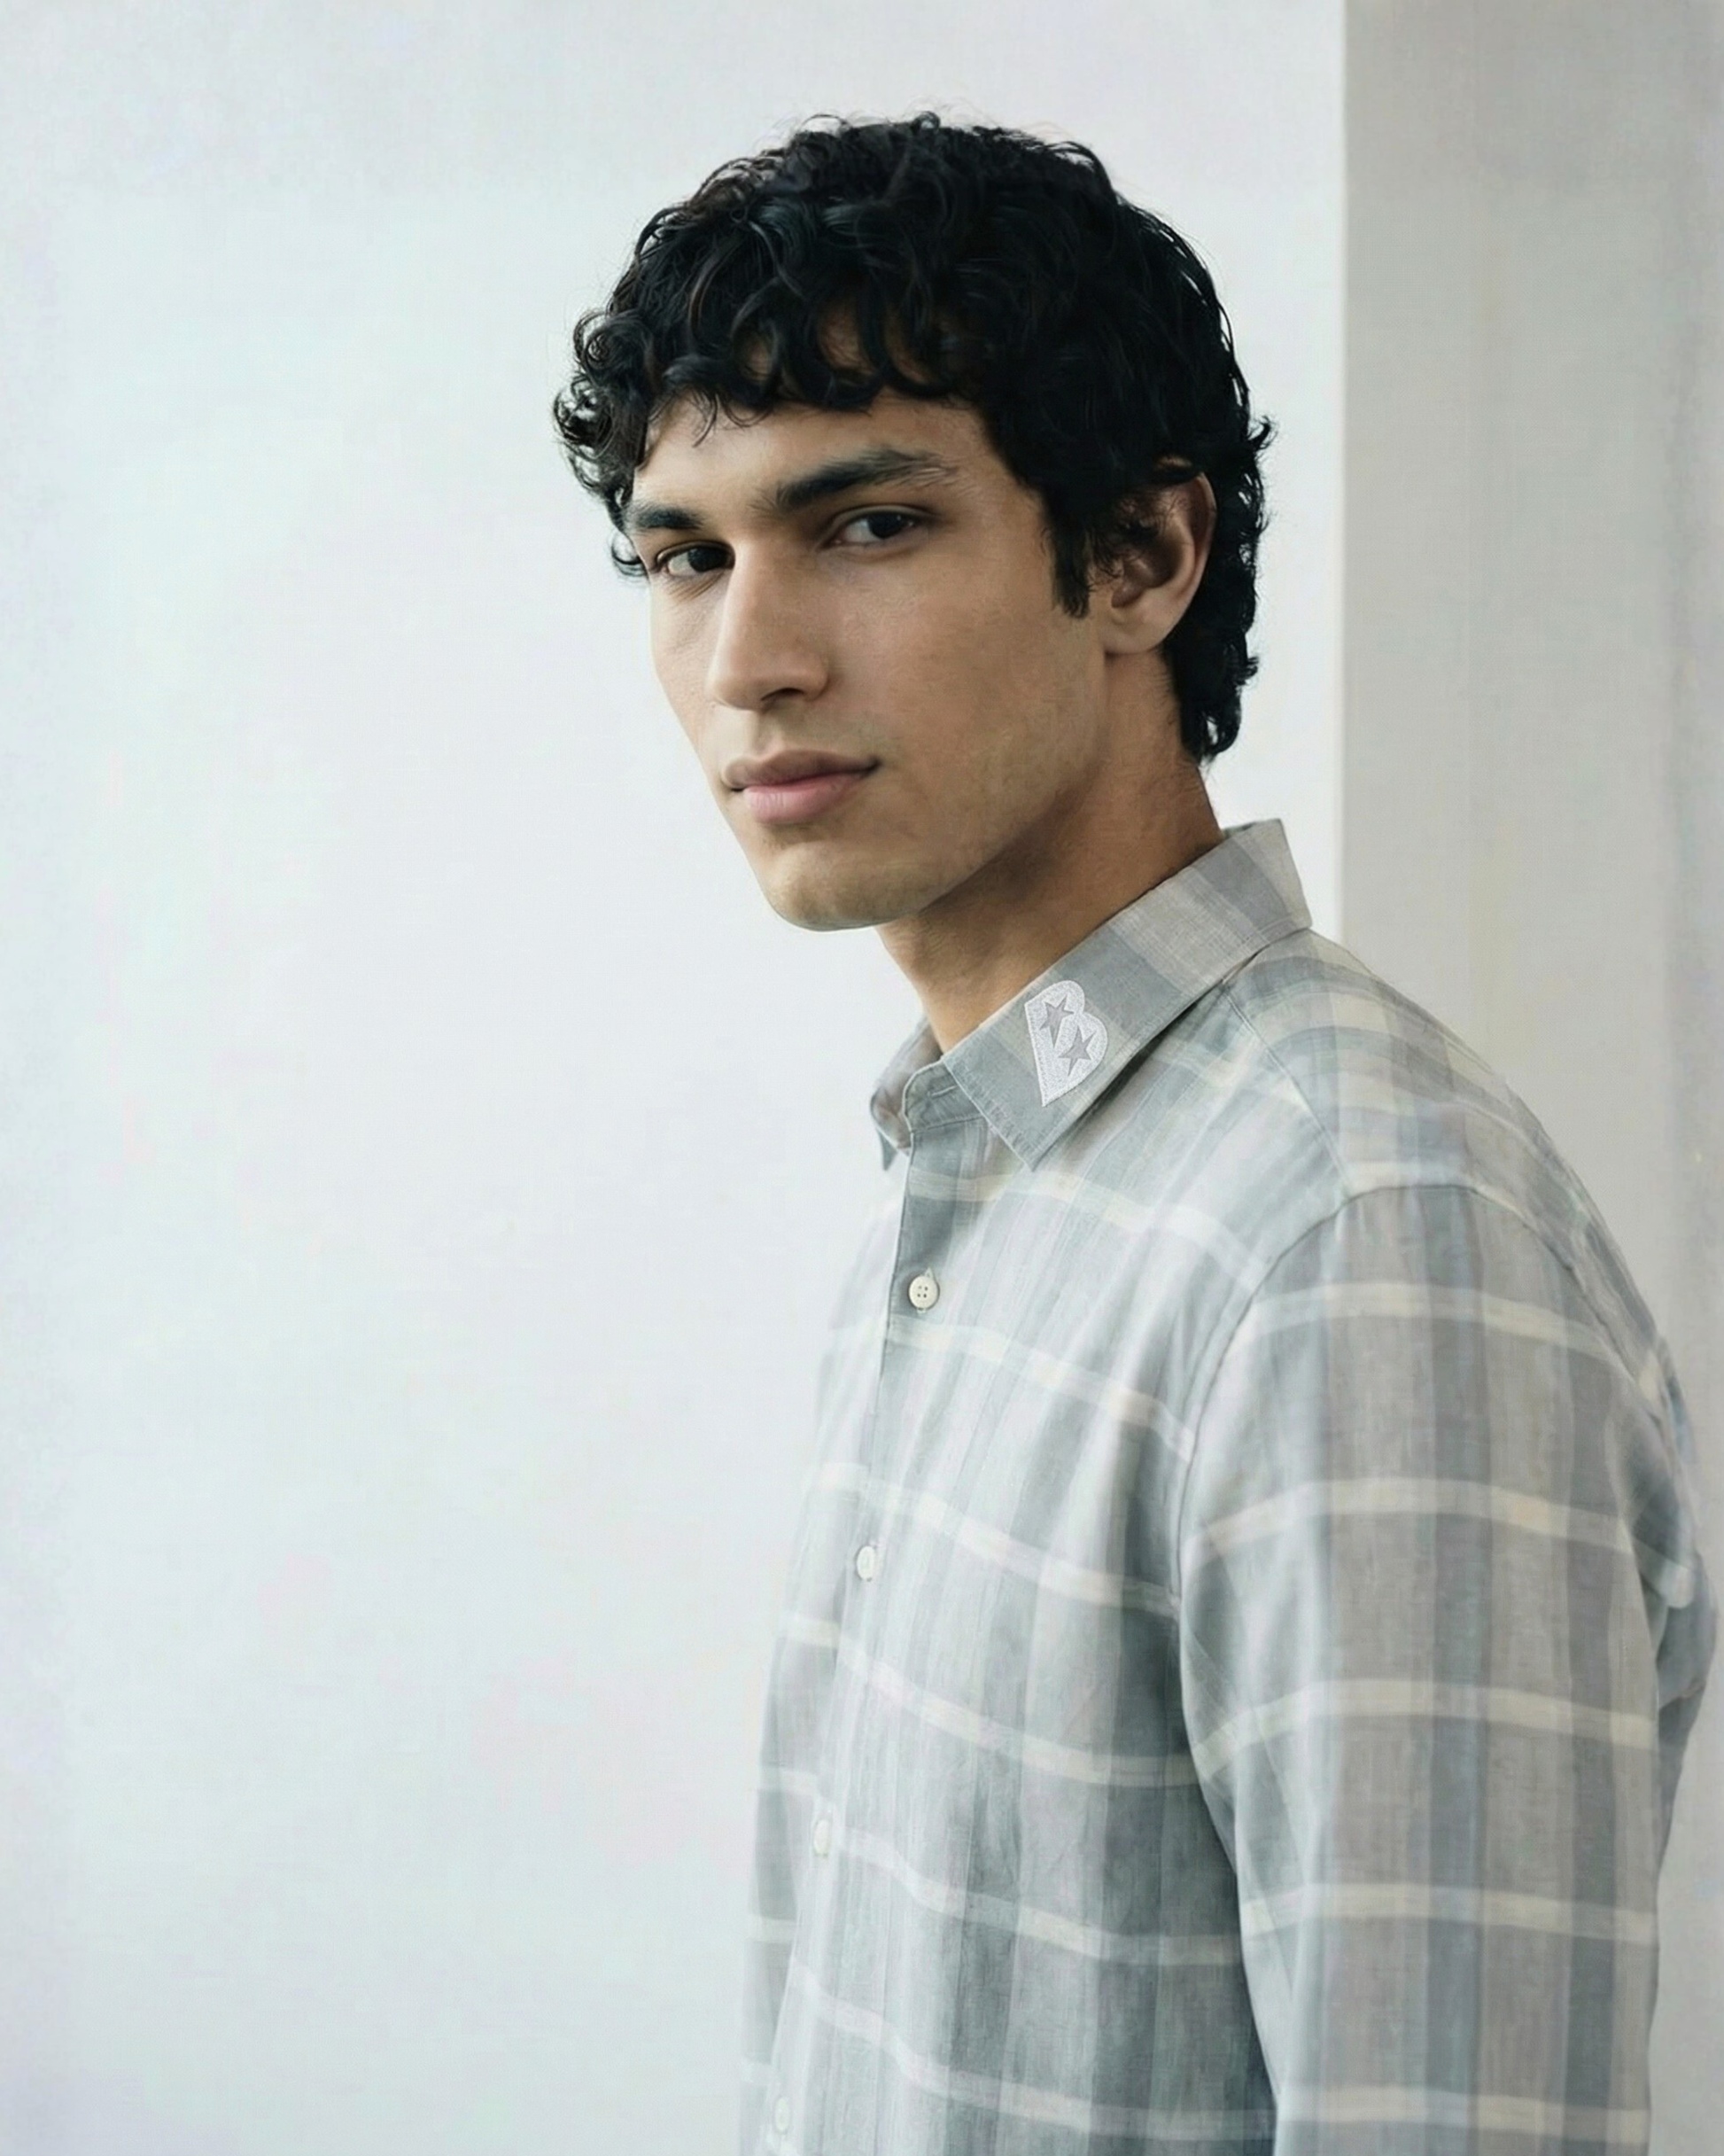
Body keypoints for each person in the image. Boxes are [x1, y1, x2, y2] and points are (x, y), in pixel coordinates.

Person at [551, 110, 1716, 2156]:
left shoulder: (1356, 1238)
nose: (748, 660)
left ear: (1140, 557)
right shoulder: (979, 1172)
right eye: (686, 557)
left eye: (868, 524)